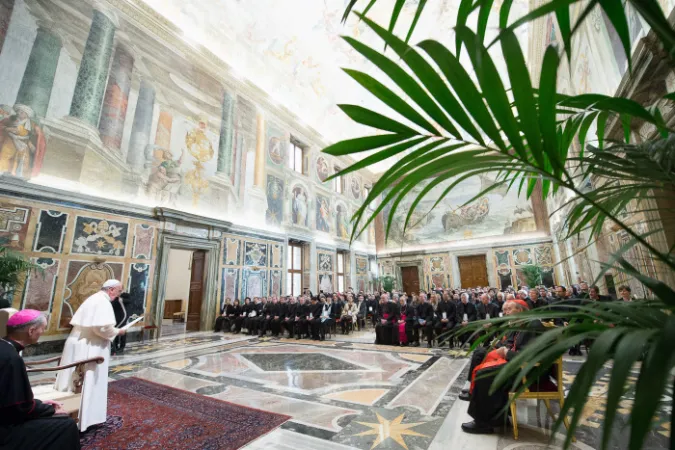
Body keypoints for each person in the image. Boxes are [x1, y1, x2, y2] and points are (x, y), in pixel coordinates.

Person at [461, 300, 549, 434]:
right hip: (517, 367)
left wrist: (507, 353)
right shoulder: (519, 323)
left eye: (509, 309)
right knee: (483, 363)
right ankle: (497, 417)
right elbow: (511, 344)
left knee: (485, 374)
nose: (505, 312)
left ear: (519, 310)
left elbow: (530, 356)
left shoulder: (533, 325)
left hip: (528, 372)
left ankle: (483, 423)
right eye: (505, 310)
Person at [1, 309, 81, 450]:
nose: (42, 332)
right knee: (66, 424)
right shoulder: (12, 358)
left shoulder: (4, 348)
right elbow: (19, 407)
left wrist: (39, 403)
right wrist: (50, 409)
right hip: (4, 431)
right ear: (31, 331)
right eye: (42, 329)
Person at [54, 279, 126, 431]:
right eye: (119, 291)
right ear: (111, 290)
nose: (119, 295)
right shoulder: (102, 302)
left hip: (80, 341)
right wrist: (117, 332)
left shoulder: (94, 298)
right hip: (90, 346)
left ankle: (68, 412)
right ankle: (84, 416)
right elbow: (102, 327)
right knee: (87, 378)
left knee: (74, 379)